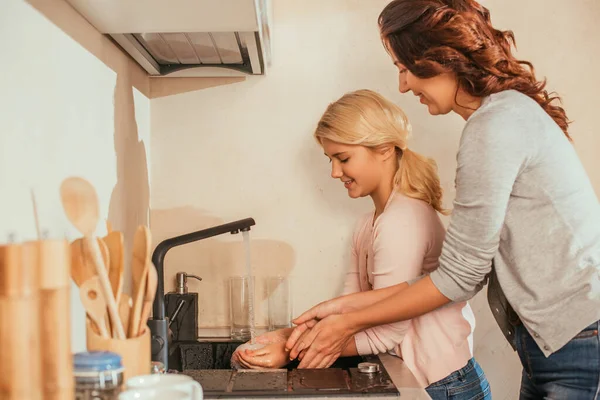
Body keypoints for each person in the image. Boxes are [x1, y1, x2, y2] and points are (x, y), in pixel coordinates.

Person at [284, 1, 600, 399]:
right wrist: (341, 312)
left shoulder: (493, 126)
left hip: (578, 336)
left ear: (438, 60)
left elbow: (460, 276)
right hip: (560, 339)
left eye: (403, 68)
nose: (403, 86)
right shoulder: (503, 116)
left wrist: (348, 322)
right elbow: (463, 269)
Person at [233, 89, 490, 398]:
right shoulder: (367, 224)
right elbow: (350, 309)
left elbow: (389, 330)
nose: (334, 172)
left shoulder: (402, 220)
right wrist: (289, 337)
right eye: (330, 159)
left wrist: (292, 351)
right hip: (425, 378)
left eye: (343, 159)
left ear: (383, 149)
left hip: (446, 386)